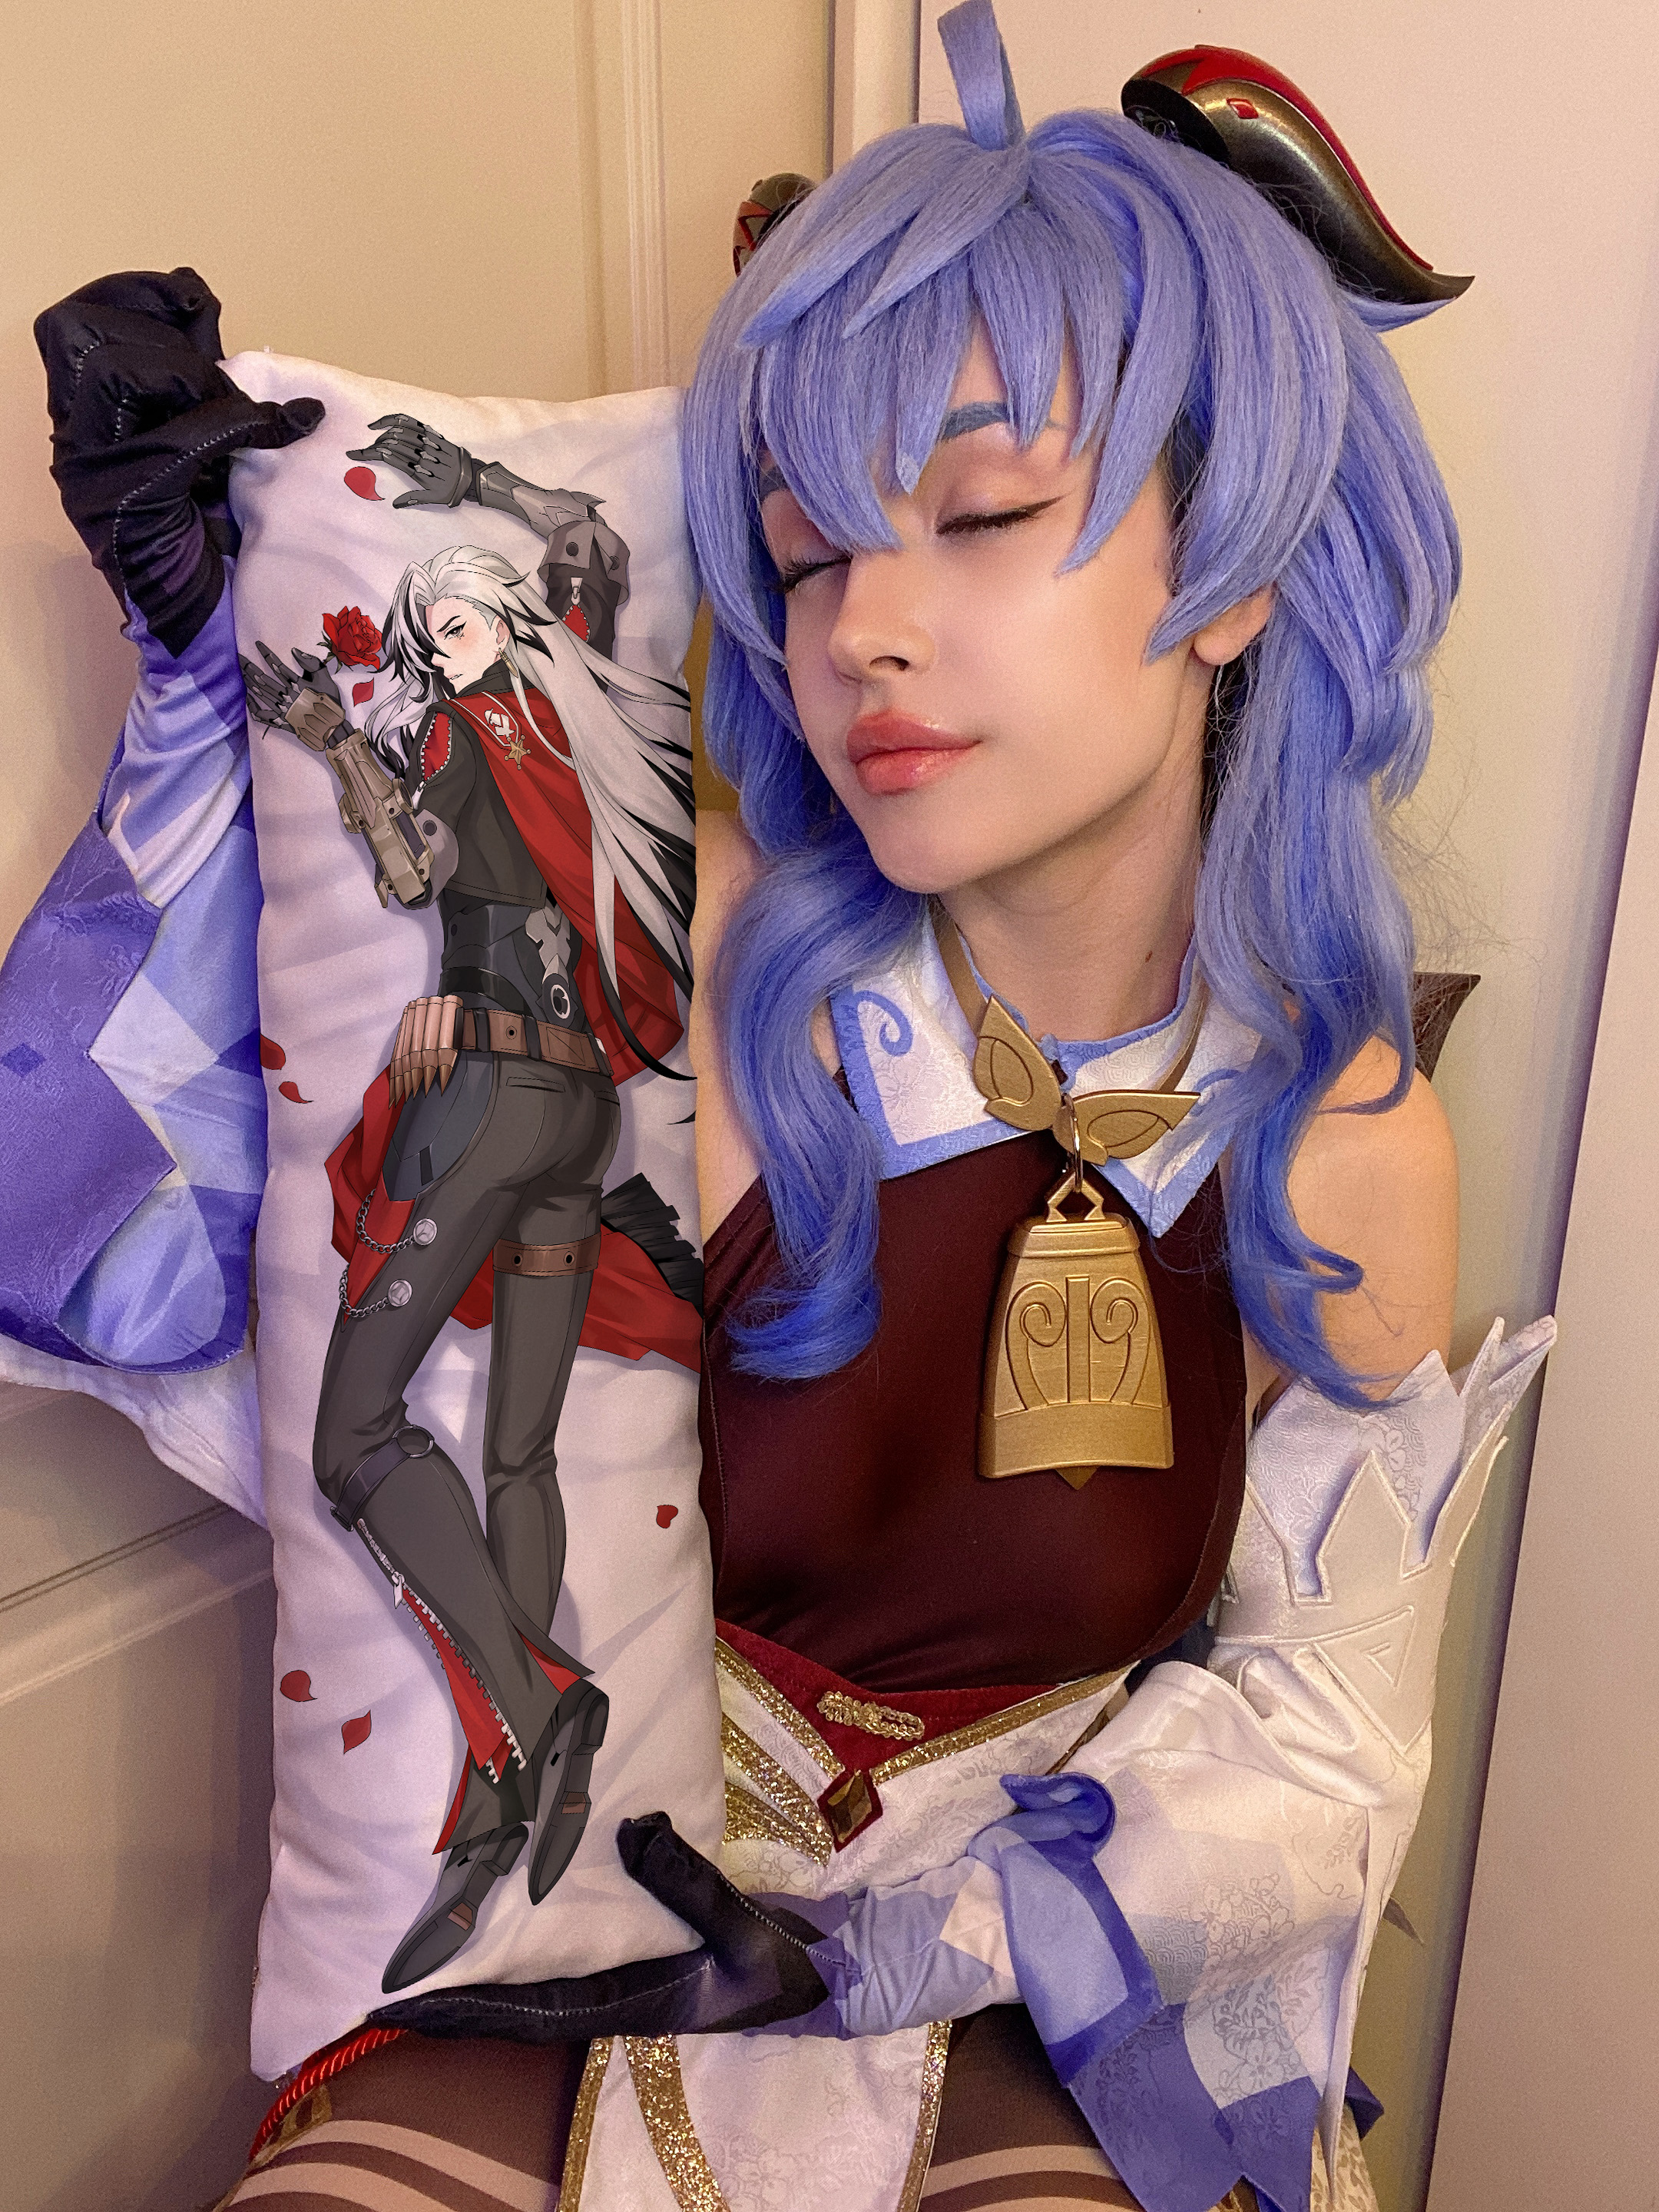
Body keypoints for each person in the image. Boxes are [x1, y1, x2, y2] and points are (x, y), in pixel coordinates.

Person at [36, 7, 1552, 2209]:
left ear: (1231, 570)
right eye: (815, 553)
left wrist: (930, 1942)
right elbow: (206, 1222)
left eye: (984, 514)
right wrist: (214, 686)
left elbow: (1325, 1734)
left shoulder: (1340, 1137)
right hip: (562, 1922)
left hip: (1045, 1967)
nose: (863, 634)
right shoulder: (689, 944)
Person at [237, 535, 698, 1992]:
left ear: (499, 619)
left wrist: (333, 740)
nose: (438, 640)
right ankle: (504, 1792)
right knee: (519, 1459)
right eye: (424, 624)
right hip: (580, 1110)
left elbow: (408, 870)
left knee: (352, 1434)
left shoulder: (451, 732)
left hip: (493, 1098)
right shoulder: (578, 737)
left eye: (456, 615)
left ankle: (542, 1706)